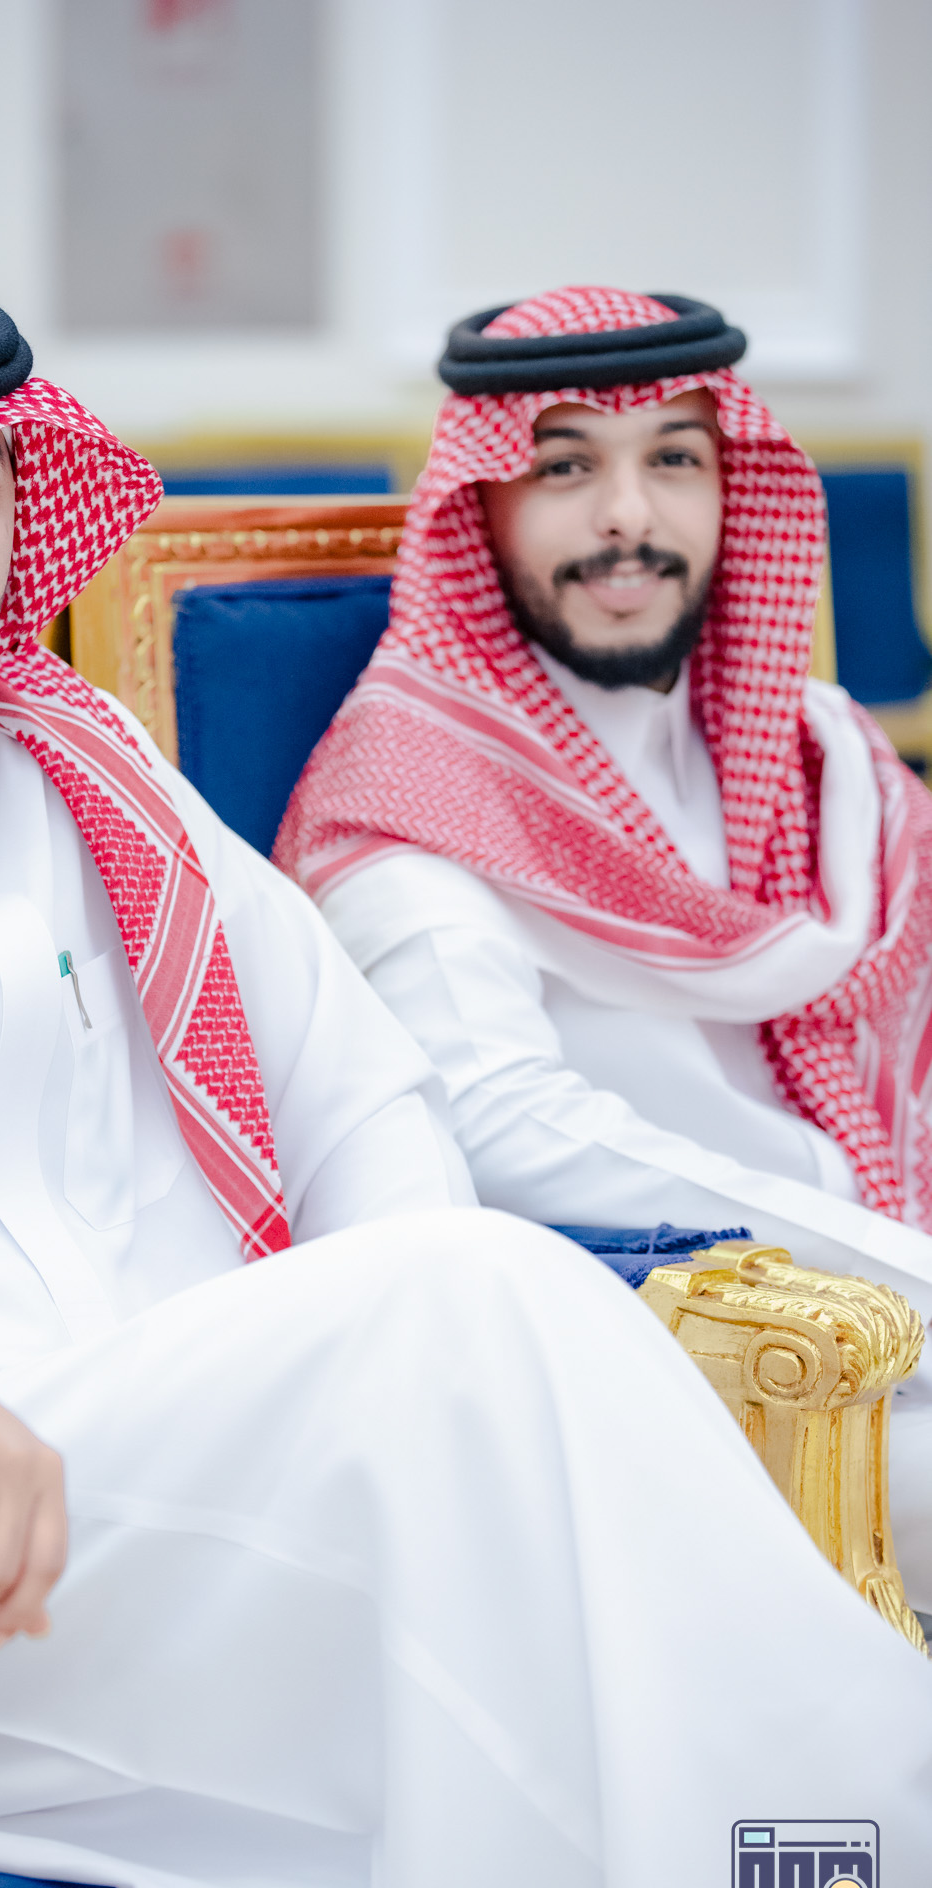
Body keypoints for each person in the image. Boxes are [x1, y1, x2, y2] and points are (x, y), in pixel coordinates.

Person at [0, 263, 932, 1888]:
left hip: (156, 1502)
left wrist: (426, 1401)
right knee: (498, 1385)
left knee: (540, 1754)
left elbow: (360, 1097)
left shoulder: (78, 775)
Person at [277, 285, 932, 1601]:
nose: (627, 516)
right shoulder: (414, 783)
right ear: (483, 506)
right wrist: (901, 1276)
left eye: (673, 460)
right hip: (677, 1362)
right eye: (565, 467)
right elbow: (499, 1128)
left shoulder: (819, 755)